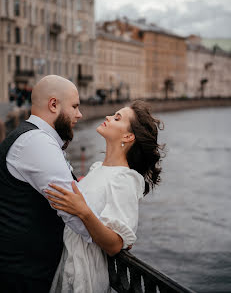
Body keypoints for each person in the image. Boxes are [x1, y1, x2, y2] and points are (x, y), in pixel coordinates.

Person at [45, 100, 164, 293]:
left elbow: (115, 245)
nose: (108, 117)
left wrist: (83, 211)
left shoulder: (125, 179)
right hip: (66, 259)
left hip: (86, 274)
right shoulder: (98, 169)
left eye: (117, 118)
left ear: (128, 136)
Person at [0, 75, 105, 293]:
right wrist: (114, 234)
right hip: (22, 276)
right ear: (54, 104)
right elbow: (75, 215)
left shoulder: (30, 137)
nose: (80, 114)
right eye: (75, 106)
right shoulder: (37, 142)